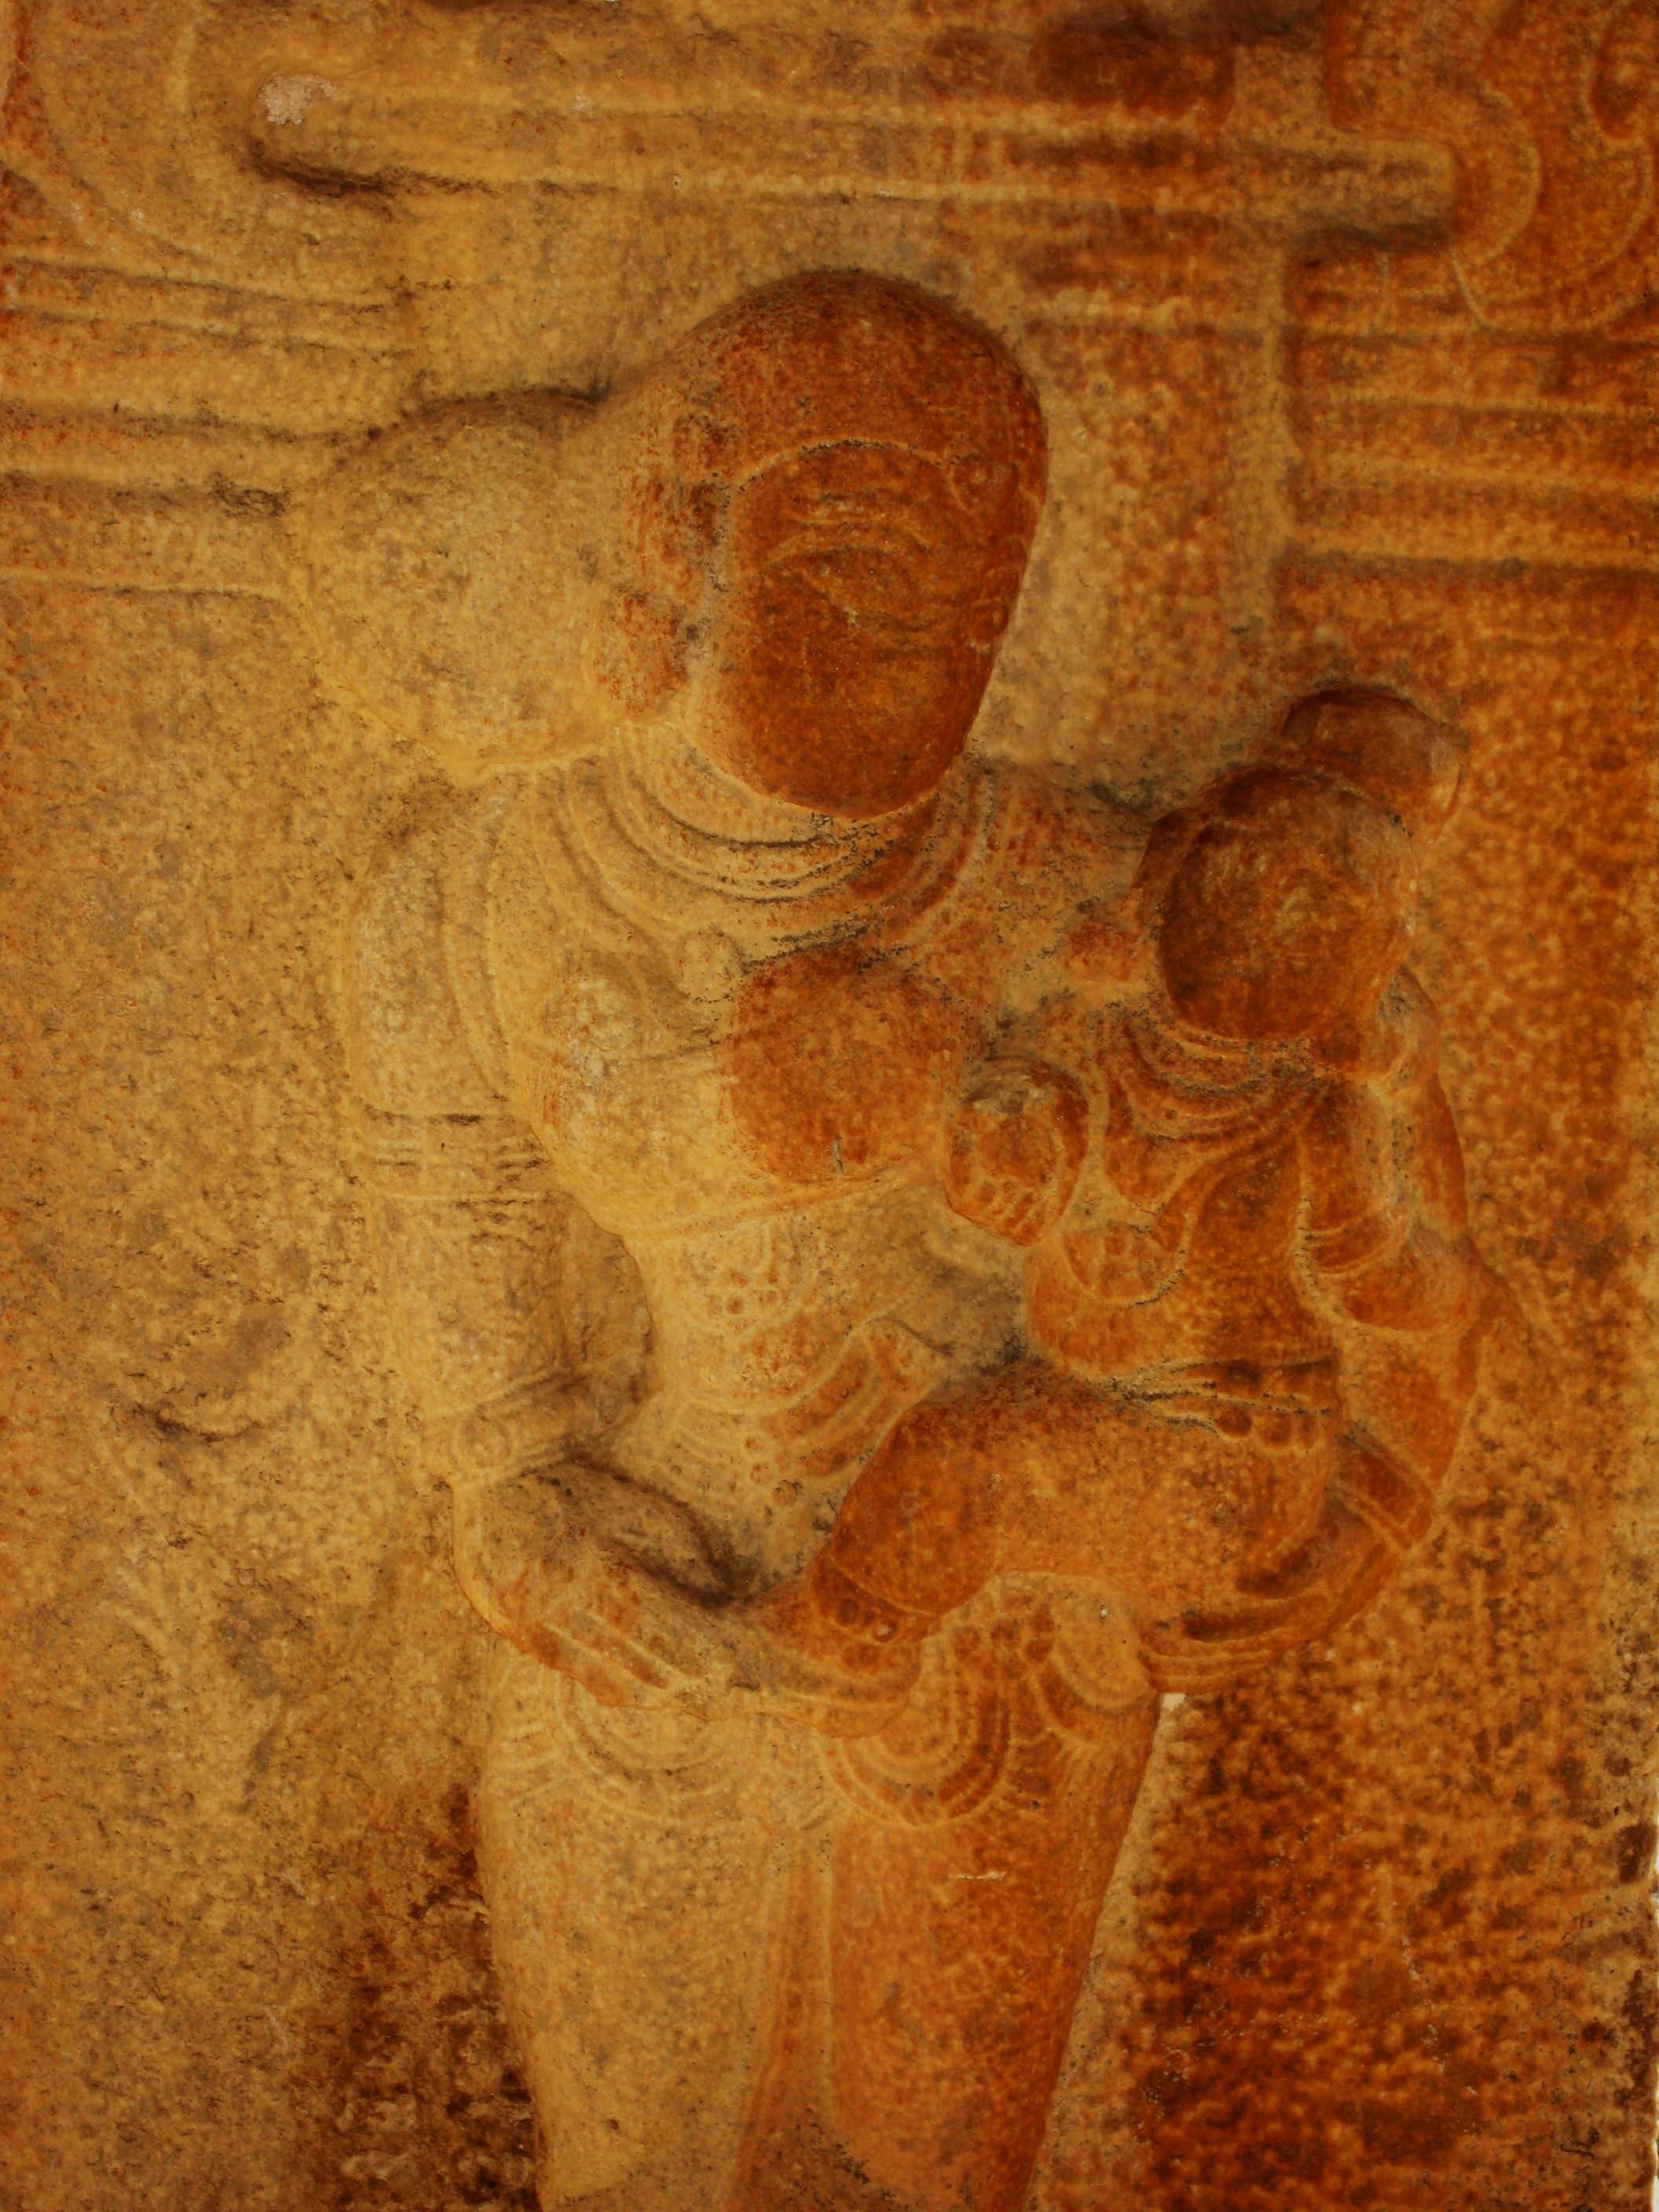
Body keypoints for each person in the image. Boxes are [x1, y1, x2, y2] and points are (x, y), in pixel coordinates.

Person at [321, 274, 1481, 2212]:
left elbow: (1370, 1196)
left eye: (981, 597)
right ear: (674, 545)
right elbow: (471, 1303)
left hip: (1000, 1633)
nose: (928, 644)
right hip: (656, 1588)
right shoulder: (466, 908)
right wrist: (523, 1514)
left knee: (933, 2173)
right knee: (628, 2162)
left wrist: (1353, 1492)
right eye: (859, 565)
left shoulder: (1098, 889)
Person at [749, 690, 1486, 1712]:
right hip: (1076, 1389)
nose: (1266, 920)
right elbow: (1009, 1140)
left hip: (1222, 1456)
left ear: (1369, 970)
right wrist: (994, 1151)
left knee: (963, 1464)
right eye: (1246, 869)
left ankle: (839, 1646)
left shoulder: (1324, 1111)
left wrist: (1437, 1301)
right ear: (1172, 865)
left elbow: (1393, 1298)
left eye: (1323, 911)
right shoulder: (1092, 1032)